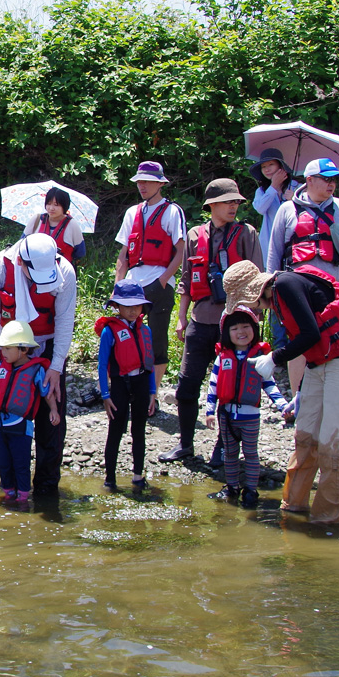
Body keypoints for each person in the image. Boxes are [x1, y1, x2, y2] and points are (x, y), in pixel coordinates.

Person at [223, 259, 339, 525]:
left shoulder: (286, 285)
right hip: (319, 365)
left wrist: (274, 358)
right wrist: (301, 391)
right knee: (305, 437)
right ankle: (293, 510)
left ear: (254, 291)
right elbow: (307, 342)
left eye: (247, 301)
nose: (252, 309)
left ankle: (326, 521)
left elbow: (311, 334)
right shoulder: (278, 296)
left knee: (331, 444)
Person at [160, 178, 261, 464]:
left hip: (235, 325)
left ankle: (224, 448)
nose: (234, 206)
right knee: (186, 386)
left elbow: (257, 279)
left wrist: (252, 322)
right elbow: (186, 281)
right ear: (211, 206)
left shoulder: (247, 234)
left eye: (236, 202)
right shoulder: (194, 235)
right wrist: (181, 319)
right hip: (200, 320)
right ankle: (185, 444)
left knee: (231, 388)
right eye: (228, 202)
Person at [0, 233, 77, 497]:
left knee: (50, 421)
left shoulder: (65, 271)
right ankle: (9, 486)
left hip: (48, 349)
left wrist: (56, 368)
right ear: (21, 261)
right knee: (10, 413)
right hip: (9, 351)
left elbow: (66, 322)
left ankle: (46, 488)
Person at [267, 158, 339, 412]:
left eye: (334, 179)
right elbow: (275, 252)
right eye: (326, 179)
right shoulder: (287, 210)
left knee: (335, 340)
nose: (332, 184)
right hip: (296, 290)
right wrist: (270, 289)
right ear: (309, 180)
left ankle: (330, 398)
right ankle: (300, 401)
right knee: (300, 342)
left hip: (333, 291)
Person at [111, 160, 187, 402]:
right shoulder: (132, 212)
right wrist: (118, 285)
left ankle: (150, 395)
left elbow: (181, 249)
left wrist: (164, 280)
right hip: (133, 285)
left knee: (156, 340)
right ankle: (130, 389)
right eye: (140, 181)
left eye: (147, 181)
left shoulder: (172, 211)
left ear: (160, 184)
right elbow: (123, 254)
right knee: (127, 338)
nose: (142, 185)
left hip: (159, 282)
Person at [203, 305, 289, 507]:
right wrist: (209, 412)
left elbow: (269, 384)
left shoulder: (260, 359)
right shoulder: (222, 357)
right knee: (230, 454)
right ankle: (232, 487)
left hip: (250, 418)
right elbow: (213, 386)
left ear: (254, 329)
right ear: (227, 333)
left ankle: (251, 491)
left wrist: (283, 405)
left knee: (251, 454)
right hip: (226, 417)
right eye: (234, 329)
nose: (240, 332)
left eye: (245, 327)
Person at [95, 281, 156, 493]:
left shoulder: (145, 331)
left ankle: (138, 476)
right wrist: (105, 395)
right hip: (119, 385)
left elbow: (149, 364)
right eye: (127, 305)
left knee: (139, 431)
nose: (132, 310)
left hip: (140, 383)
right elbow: (102, 365)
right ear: (117, 307)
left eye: (137, 306)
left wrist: (152, 393)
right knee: (115, 431)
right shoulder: (110, 331)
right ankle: (110, 479)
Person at [0, 320, 58, 505]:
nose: (3, 353)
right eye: (2, 349)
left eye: (7, 349)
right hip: (0, 423)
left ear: (24, 349)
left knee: (21, 464)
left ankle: (23, 498)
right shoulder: (3, 366)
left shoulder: (36, 370)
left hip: (21, 426)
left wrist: (54, 410)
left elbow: (46, 393)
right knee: (4, 463)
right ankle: (8, 494)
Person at [249, 148, 302, 268]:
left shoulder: (296, 188)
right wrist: (273, 186)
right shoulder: (262, 191)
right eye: (263, 166)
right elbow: (260, 209)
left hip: (293, 242)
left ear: (281, 166)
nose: (267, 169)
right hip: (269, 244)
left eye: (271, 164)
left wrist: (294, 201)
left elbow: (305, 213)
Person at [23, 187, 86, 265]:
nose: (51, 208)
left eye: (56, 205)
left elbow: (80, 252)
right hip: (34, 269)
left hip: (62, 272)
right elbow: (21, 244)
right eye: (48, 204)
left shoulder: (72, 225)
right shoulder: (37, 219)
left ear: (65, 206)